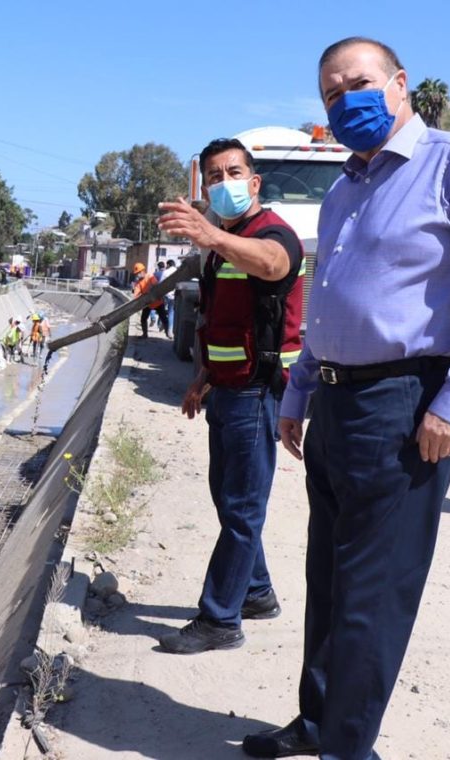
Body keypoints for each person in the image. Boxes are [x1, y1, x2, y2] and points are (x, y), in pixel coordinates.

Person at [243, 37, 450, 760]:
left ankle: (349, 748)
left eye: (359, 83)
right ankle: (319, 722)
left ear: (400, 84)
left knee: (373, 596)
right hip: (336, 405)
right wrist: (301, 392)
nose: (346, 101)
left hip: (405, 405)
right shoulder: (345, 188)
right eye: (331, 94)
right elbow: (328, 303)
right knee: (329, 579)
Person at [154, 136, 304, 656]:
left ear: (254, 182)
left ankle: (220, 619)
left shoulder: (271, 234)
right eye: (214, 176)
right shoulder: (224, 244)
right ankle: (256, 592)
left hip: (256, 391)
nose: (224, 183)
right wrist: (202, 378)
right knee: (228, 498)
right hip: (226, 388)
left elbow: (274, 264)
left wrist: (209, 233)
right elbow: (220, 320)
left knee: (242, 508)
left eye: (233, 173)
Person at [131, 263, 162, 338]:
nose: (137, 275)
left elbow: (156, 285)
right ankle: (145, 334)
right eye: (136, 274)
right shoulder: (139, 282)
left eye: (138, 273)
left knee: (163, 316)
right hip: (147, 302)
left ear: (142, 271)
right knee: (143, 319)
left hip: (155, 300)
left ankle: (166, 329)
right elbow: (136, 294)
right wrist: (134, 291)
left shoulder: (150, 276)